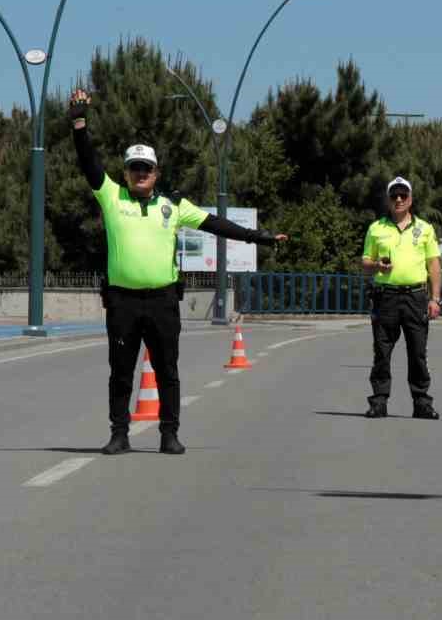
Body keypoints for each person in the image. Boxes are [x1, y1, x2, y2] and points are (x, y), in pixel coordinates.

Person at [68, 87, 287, 456]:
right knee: (120, 372)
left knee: (167, 370)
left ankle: (169, 434)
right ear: (125, 172)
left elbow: (216, 224)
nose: (140, 174)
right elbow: (87, 160)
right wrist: (79, 123)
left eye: (146, 169)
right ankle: (118, 434)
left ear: (156, 173)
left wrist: (258, 238)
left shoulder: (173, 206)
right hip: (122, 301)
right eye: (134, 168)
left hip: (163, 301)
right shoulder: (111, 196)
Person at [360, 176, 442, 420]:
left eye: (403, 195)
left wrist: (435, 298)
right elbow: (365, 263)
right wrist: (377, 265)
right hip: (386, 297)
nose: (398, 199)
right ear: (388, 199)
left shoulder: (425, 228)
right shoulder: (376, 228)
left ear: (410, 199)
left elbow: (434, 264)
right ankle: (379, 401)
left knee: (417, 351)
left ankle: (421, 402)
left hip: (416, 296)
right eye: (394, 195)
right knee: (382, 351)